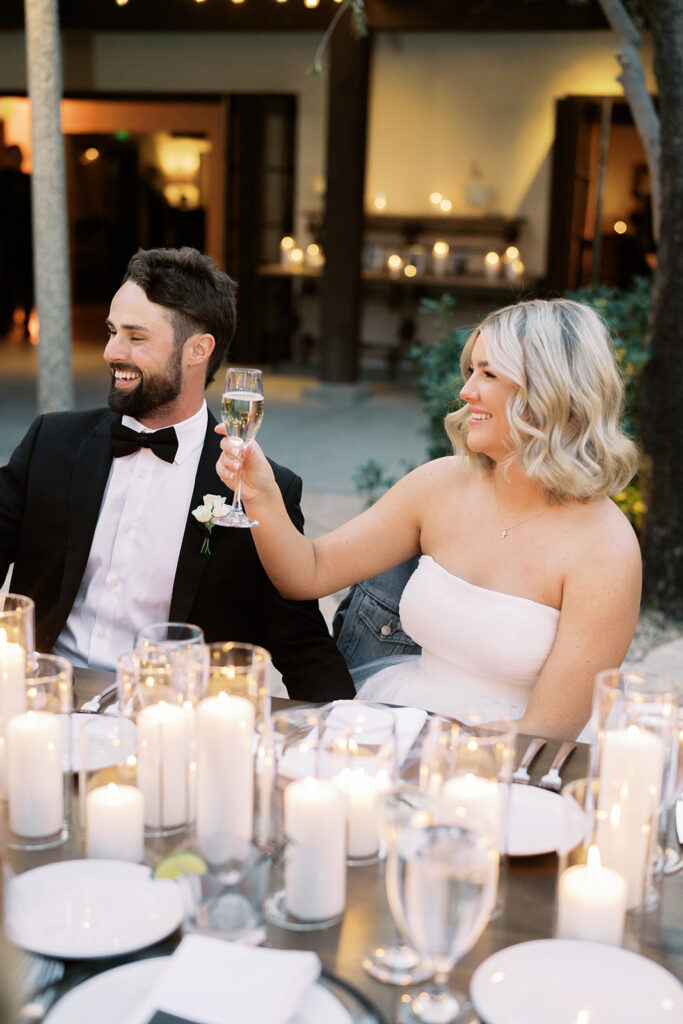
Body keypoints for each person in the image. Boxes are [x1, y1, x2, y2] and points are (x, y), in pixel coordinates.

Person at [216, 298, 642, 740]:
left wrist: (430, 764)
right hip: (405, 714)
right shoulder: (439, 484)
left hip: (514, 754)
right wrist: (261, 494)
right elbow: (308, 573)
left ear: (551, 392)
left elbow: (547, 730)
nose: (466, 391)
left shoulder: (605, 547)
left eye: (489, 374)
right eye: (471, 370)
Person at [0, 246, 354, 703]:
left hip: (174, 717)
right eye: (112, 332)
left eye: (135, 337)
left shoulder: (262, 490)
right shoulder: (51, 443)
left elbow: (303, 644)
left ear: (198, 350)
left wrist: (350, 731)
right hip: (41, 702)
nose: (110, 351)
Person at [0, 144, 33, 338]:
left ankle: (26, 322)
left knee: (26, 283)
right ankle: (6, 323)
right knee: (7, 282)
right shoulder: (3, 180)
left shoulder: (28, 181)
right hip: (7, 242)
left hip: (25, 241)